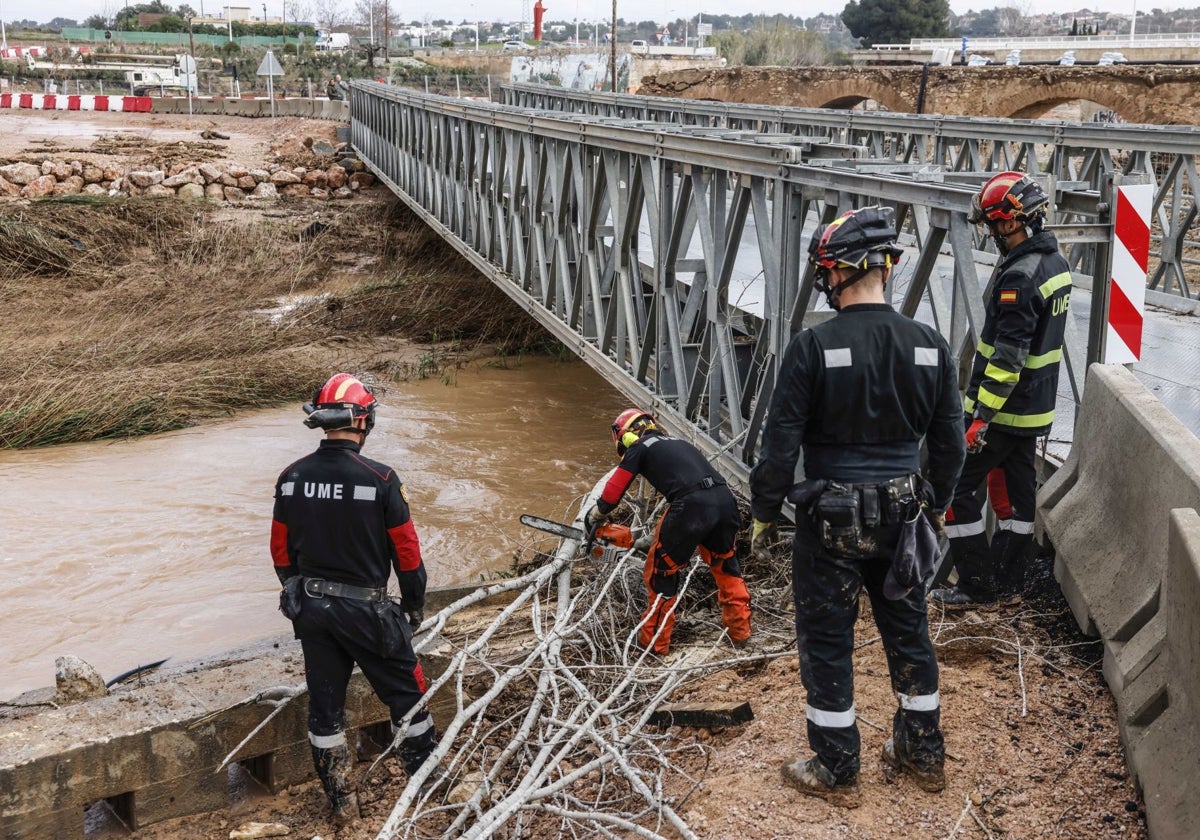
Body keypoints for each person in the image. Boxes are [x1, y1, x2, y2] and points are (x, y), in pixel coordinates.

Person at [748, 206, 965, 808]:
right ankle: (923, 755)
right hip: (903, 515)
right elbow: (949, 445)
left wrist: (764, 512)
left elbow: (779, 445)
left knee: (826, 639)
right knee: (908, 631)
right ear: (886, 269)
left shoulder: (812, 346)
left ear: (833, 274)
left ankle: (838, 767)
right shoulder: (929, 345)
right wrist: (937, 505)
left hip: (829, 522)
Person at [270, 373, 439, 822]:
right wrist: (414, 608)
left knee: (325, 706)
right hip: (366, 612)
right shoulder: (381, 478)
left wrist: (298, 595)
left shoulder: (291, 478)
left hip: (311, 609)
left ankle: (342, 801)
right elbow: (407, 556)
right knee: (409, 695)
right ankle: (426, 787)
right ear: (365, 420)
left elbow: (280, 554)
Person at [929, 172, 1071, 610]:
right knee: (1015, 495)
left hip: (1004, 412)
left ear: (1011, 222)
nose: (989, 232)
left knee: (954, 489)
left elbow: (1007, 360)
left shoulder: (1019, 278)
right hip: (1034, 409)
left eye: (992, 224)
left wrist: (980, 419)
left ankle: (976, 584)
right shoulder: (1055, 263)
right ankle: (1008, 585)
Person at [585, 409, 751, 654]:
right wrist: (654, 539)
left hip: (691, 507)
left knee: (660, 573)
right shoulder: (678, 443)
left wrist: (597, 514)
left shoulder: (639, 447)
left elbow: (614, 491)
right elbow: (691, 492)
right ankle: (741, 633)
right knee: (726, 566)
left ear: (627, 435)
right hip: (724, 500)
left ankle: (654, 644)